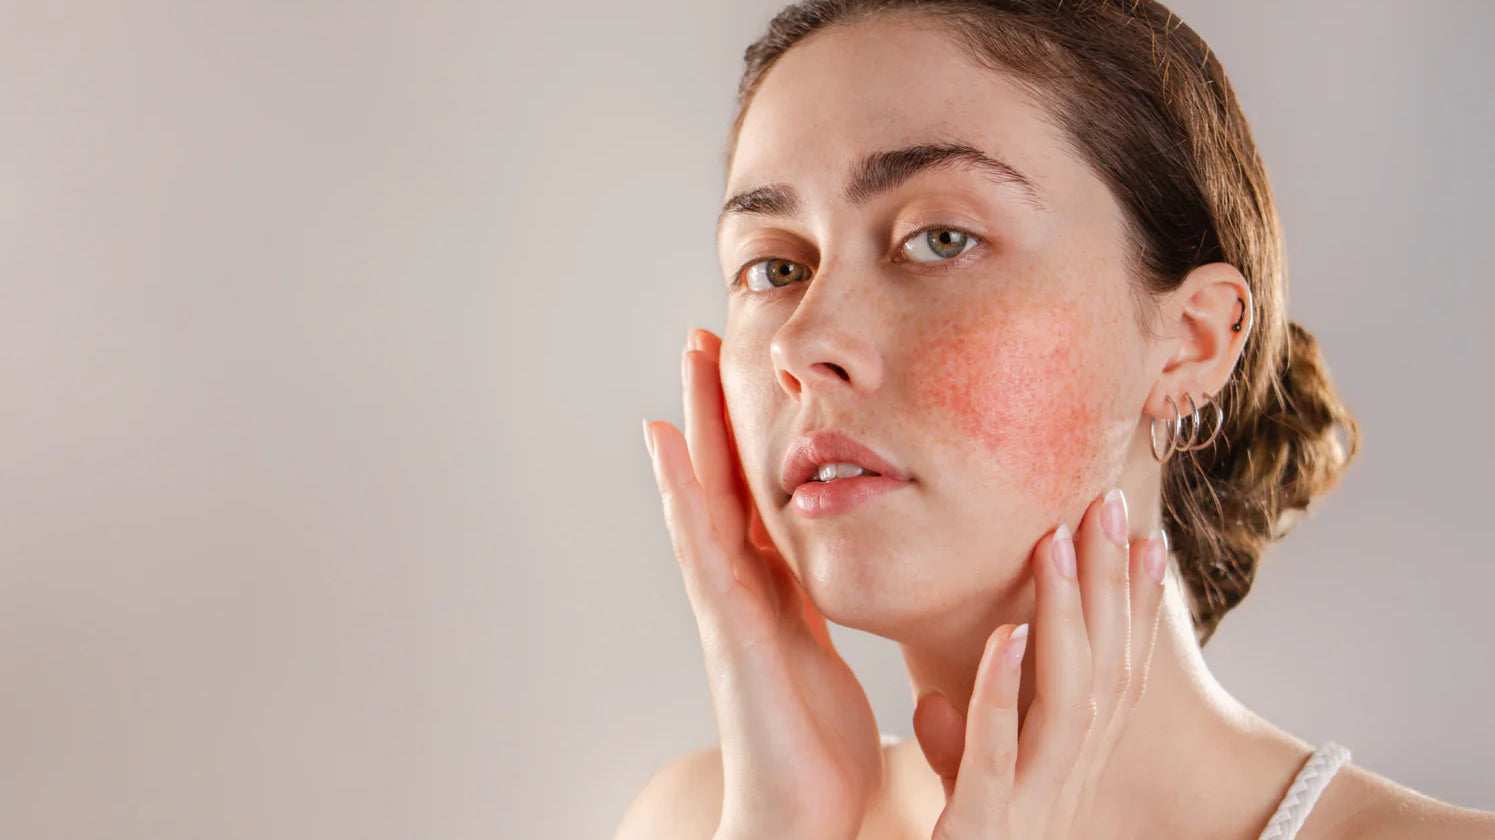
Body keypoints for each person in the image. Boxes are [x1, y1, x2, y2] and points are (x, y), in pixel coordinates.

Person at [620, 2, 1495, 838]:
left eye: (940, 239)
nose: (805, 339)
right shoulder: (697, 823)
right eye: (774, 268)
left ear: (1190, 342)